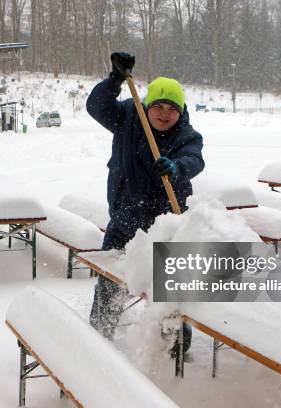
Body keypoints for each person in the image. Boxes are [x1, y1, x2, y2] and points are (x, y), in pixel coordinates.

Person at [86, 51, 205, 350]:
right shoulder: (129, 116)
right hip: (125, 214)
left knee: (171, 285)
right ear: (147, 105)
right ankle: (100, 332)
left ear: (181, 111)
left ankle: (177, 344)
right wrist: (115, 79)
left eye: (172, 109)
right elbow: (96, 106)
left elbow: (195, 158)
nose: (164, 114)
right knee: (110, 280)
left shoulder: (186, 134)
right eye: (158, 107)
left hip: (165, 220)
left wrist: (177, 167)